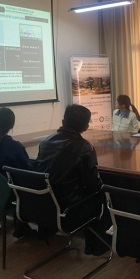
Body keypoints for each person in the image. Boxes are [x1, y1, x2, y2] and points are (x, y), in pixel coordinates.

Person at [35, 105, 108, 253]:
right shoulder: (84, 147)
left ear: (63, 121)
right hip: (70, 209)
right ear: (86, 127)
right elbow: (93, 184)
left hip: (43, 204)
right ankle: (96, 246)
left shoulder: (45, 142)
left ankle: (47, 229)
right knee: (104, 195)